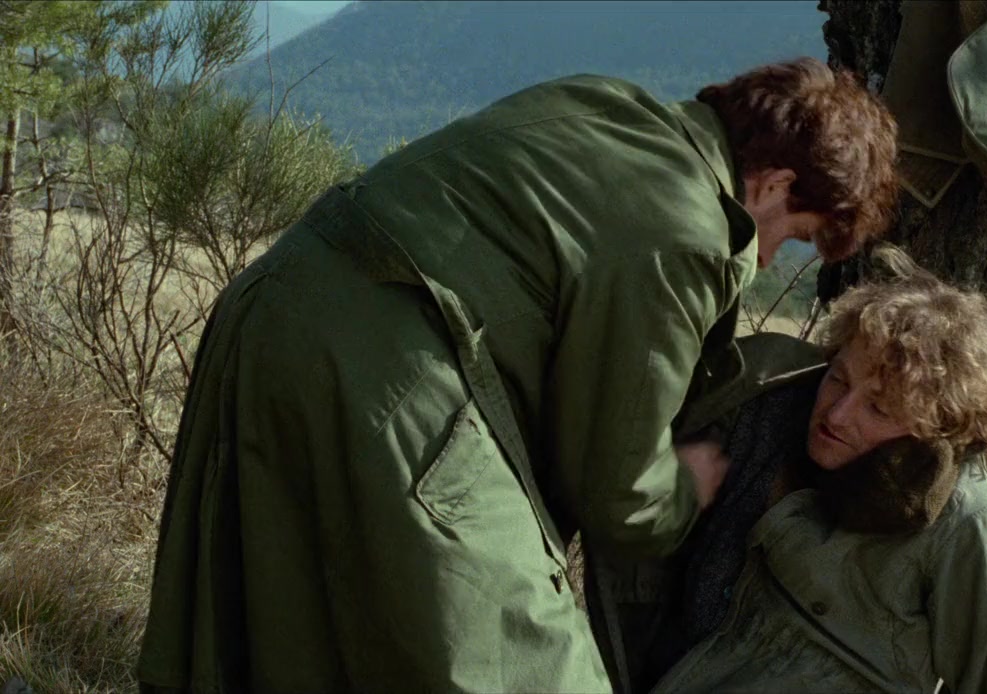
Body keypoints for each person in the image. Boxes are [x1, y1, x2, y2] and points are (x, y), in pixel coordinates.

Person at [136, 57, 899, 692]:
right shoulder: (689, 233)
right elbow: (616, 487)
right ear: (773, 185)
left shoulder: (606, 104)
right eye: (791, 237)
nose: (766, 260)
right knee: (526, 662)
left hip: (269, 314)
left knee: (285, 632)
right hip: (391, 376)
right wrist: (681, 489)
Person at [592, 245, 987, 693]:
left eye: (879, 408)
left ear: (937, 427)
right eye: (838, 379)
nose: (838, 414)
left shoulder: (971, 521)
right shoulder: (766, 414)